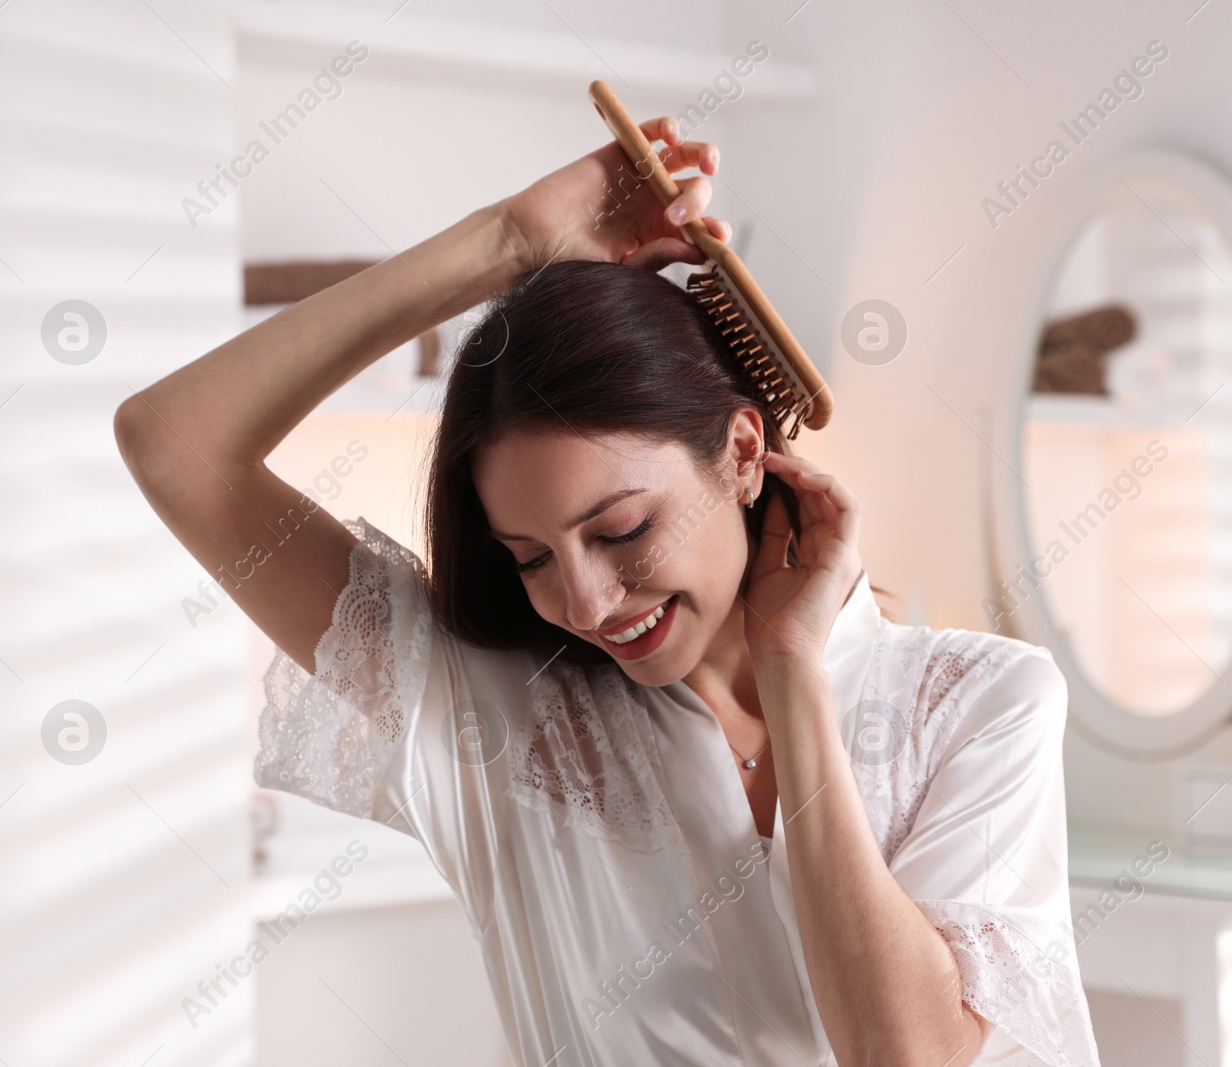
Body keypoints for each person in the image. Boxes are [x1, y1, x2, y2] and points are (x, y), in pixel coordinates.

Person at [115, 113, 1099, 1067]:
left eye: (620, 529)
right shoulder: (495, 711)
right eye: (530, 555)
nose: (583, 604)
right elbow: (174, 443)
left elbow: (904, 1056)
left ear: (743, 451)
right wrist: (507, 242)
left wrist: (793, 675)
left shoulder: (980, 702)